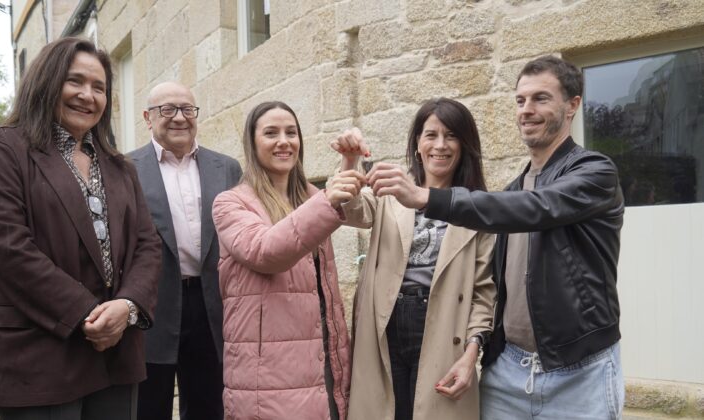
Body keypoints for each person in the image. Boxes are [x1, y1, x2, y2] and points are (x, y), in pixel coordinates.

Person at [368, 56, 625, 419]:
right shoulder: (512, 190)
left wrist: (427, 197)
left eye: (541, 98)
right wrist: (479, 350)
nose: (527, 110)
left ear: (573, 105)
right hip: (508, 371)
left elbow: (539, 207)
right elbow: (489, 288)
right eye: (520, 100)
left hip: (579, 371)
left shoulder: (595, 172)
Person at [0, 37, 161, 419]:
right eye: (75, 81)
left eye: (99, 87)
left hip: (116, 356)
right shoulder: (5, 151)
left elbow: (147, 245)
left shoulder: (119, 166)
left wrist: (127, 307)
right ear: (47, 81)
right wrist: (90, 314)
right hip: (41, 355)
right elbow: (7, 248)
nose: (87, 96)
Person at [331, 98, 496, 420]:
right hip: (385, 320)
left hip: (444, 324)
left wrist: (471, 355)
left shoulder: (477, 208)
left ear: (464, 145)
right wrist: (349, 163)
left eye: (451, 136)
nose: (440, 145)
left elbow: (483, 293)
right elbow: (351, 210)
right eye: (430, 135)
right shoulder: (392, 190)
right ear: (417, 143)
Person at [212, 101, 358, 420]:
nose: (284, 141)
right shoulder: (230, 204)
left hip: (322, 358)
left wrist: (350, 163)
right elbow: (266, 251)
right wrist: (327, 198)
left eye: (291, 132)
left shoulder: (310, 199)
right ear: (252, 143)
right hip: (268, 376)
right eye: (271, 133)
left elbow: (360, 217)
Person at [128, 81, 242, 420]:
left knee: (209, 405)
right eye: (168, 109)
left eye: (187, 109)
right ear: (148, 118)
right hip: (153, 304)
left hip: (211, 304)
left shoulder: (227, 168)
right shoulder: (125, 169)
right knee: (150, 404)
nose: (179, 117)